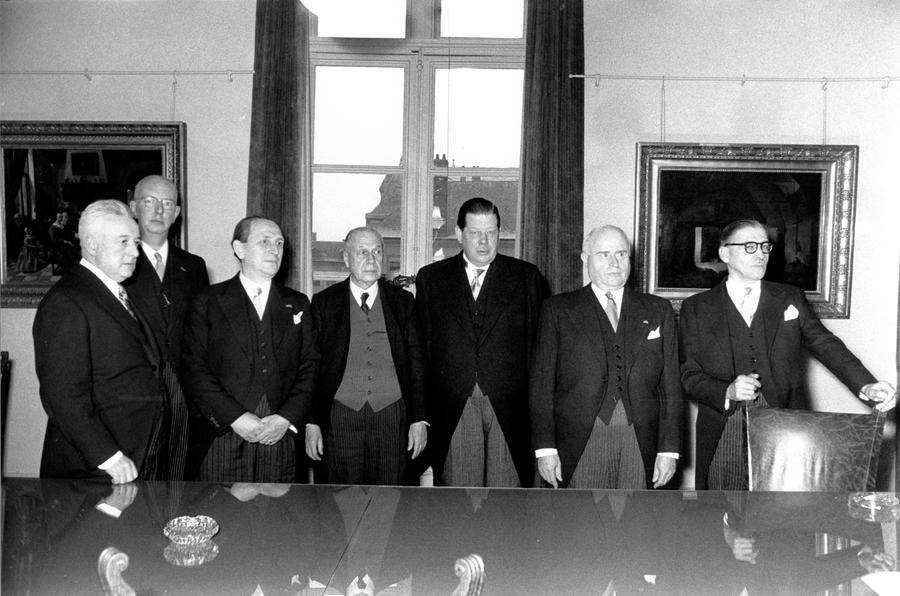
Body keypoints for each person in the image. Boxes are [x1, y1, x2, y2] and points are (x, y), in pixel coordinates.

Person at [680, 219, 897, 490]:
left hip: (787, 428)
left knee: (785, 518)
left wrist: (866, 385)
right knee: (723, 518)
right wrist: (727, 391)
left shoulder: (790, 298)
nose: (760, 253)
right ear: (725, 254)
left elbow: (826, 344)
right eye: (750, 246)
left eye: (764, 246)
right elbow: (688, 375)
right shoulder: (697, 308)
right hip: (724, 430)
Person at [530, 226, 682, 489]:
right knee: (582, 523)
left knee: (639, 523)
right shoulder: (558, 310)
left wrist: (668, 451)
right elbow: (542, 385)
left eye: (622, 254)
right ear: (585, 258)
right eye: (604, 255)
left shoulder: (658, 310)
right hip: (579, 440)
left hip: (641, 439)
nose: (615, 263)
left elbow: (671, 386)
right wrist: (545, 449)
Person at [415, 197, 550, 487]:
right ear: (458, 233)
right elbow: (422, 353)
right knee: (459, 501)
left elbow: (539, 353)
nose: (484, 241)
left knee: (507, 503)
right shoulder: (431, 279)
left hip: (510, 409)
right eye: (475, 233)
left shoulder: (527, 278)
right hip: (453, 408)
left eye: (491, 232)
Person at [32, 199, 168, 483]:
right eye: (123, 242)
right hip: (97, 470)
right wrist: (109, 458)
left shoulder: (115, 292)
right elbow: (63, 397)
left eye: (136, 241)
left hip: (136, 454)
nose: (135, 252)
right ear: (92, 245)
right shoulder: (67, 301)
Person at [181, 216, 318, 482]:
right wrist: (235, 418)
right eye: (264, 241)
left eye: (279, 243)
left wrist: (285, 419)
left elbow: (310, 366)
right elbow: (193, 368)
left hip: (280, 437)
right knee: (223, 515)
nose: (274, 249)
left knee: (280, 517)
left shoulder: (297, 303)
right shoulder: (207, 301)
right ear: (239, 249)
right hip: (224, 434)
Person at [306, 227, 428, 485]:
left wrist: (419, 418)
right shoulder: (324, 302)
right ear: (346, 258)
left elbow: (418, 365)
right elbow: (312, 368)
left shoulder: (403, 302)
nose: (371, 259)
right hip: (341, 416)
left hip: (391, 416)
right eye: (362, 252)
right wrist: (312, 422)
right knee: (339, 502)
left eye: (376, 251)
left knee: (391, 500)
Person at [124, 175, 209, 480]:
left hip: (182, 394)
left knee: (178, 478)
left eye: (167, 203)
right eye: (149, 201)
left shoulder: (194, 266)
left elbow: (200, 336)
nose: (158, 210)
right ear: (133, 207)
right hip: (135, 394)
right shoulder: (119, 265)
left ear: (176, 213)